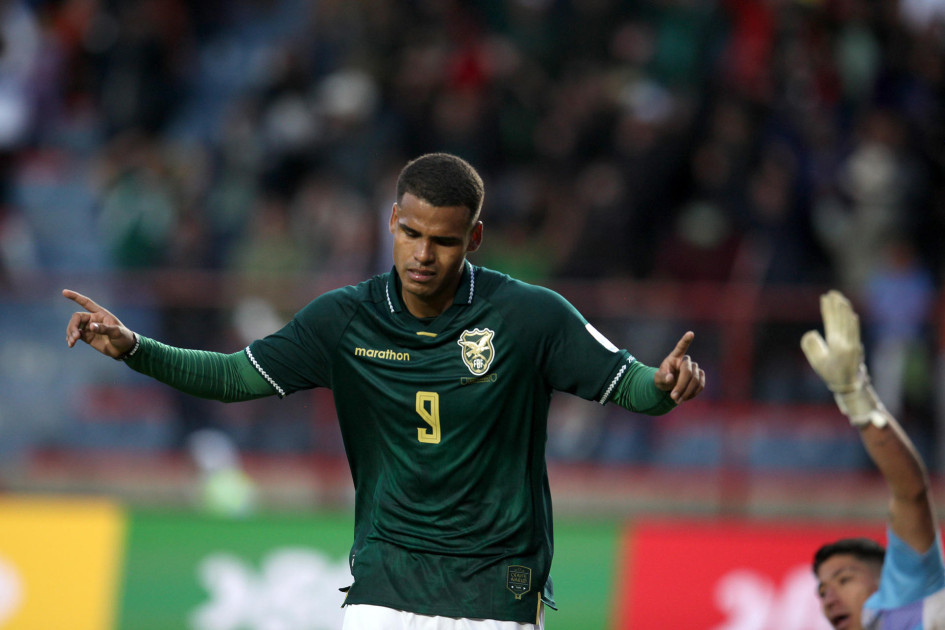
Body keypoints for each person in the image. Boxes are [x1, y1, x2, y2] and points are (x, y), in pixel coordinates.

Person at [63, 152, 706, 629]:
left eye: (444, 241)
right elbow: (234, 376)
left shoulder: (529, 317)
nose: (423, 254)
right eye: (411, 233)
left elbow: (630, 384)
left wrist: (666, 385)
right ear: (392, 222)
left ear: (474, 239)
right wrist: (136, 348)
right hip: (383, 591)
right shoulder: (344, 319)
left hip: (495, 594)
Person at [802, 290, 945, 630]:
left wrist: (856, 397)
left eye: (845, 579)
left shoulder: (906, 598)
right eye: (822, 592)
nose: (829, 598)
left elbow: (910, 492)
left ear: (888, 579)